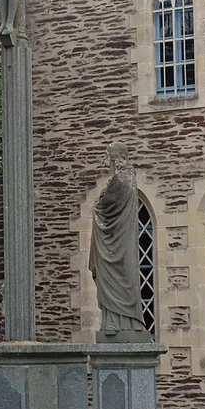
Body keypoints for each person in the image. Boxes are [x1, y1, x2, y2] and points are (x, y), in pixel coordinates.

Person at [89, 142, 149, 341]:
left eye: (107, 156)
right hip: (120, 239)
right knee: (123, 279)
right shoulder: (128, 178)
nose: (106, 162)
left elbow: (105, 207)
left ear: (114, 158)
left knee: (116, 278)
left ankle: (116, 322)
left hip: (115, 241)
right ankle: (121, 322)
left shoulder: (120, 180)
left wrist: (99, 203)